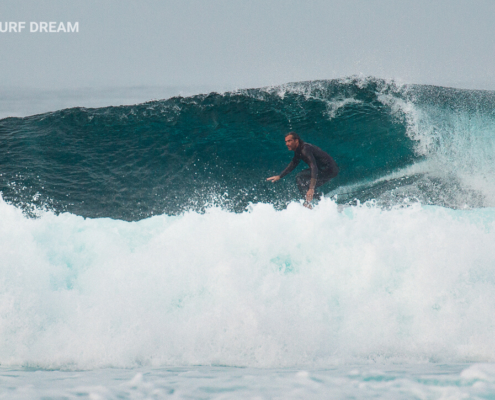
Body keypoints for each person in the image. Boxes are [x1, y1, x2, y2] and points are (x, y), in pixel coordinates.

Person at [266, 132, 338, 207]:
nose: (287, 144)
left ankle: (309, 203)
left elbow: (314, 167)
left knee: (300, 178)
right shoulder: (299, 150)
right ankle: (321, 202)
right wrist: (279, 176)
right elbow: (293, 163)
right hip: (327, 169)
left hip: (329, 169)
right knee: (305, 183)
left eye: (289, 141)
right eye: (286, 142)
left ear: (296, 141)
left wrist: (311, 188)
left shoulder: (305, 149)